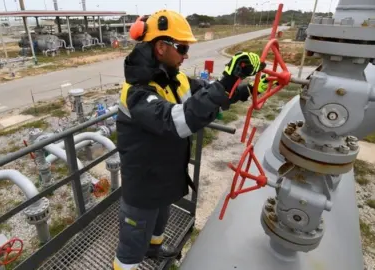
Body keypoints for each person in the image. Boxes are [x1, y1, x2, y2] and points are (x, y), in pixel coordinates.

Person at [113, 9, 267, 270]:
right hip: (142, 184)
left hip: (164, 175)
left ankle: (155, 250)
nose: (186, 55)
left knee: (159, 221)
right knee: (131, 249)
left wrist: (243, 89)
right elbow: (177, 120)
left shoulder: (175, 77)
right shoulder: (137, 93)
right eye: (182, 48)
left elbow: (205, 97)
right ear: (161, 47)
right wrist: (228, 78)